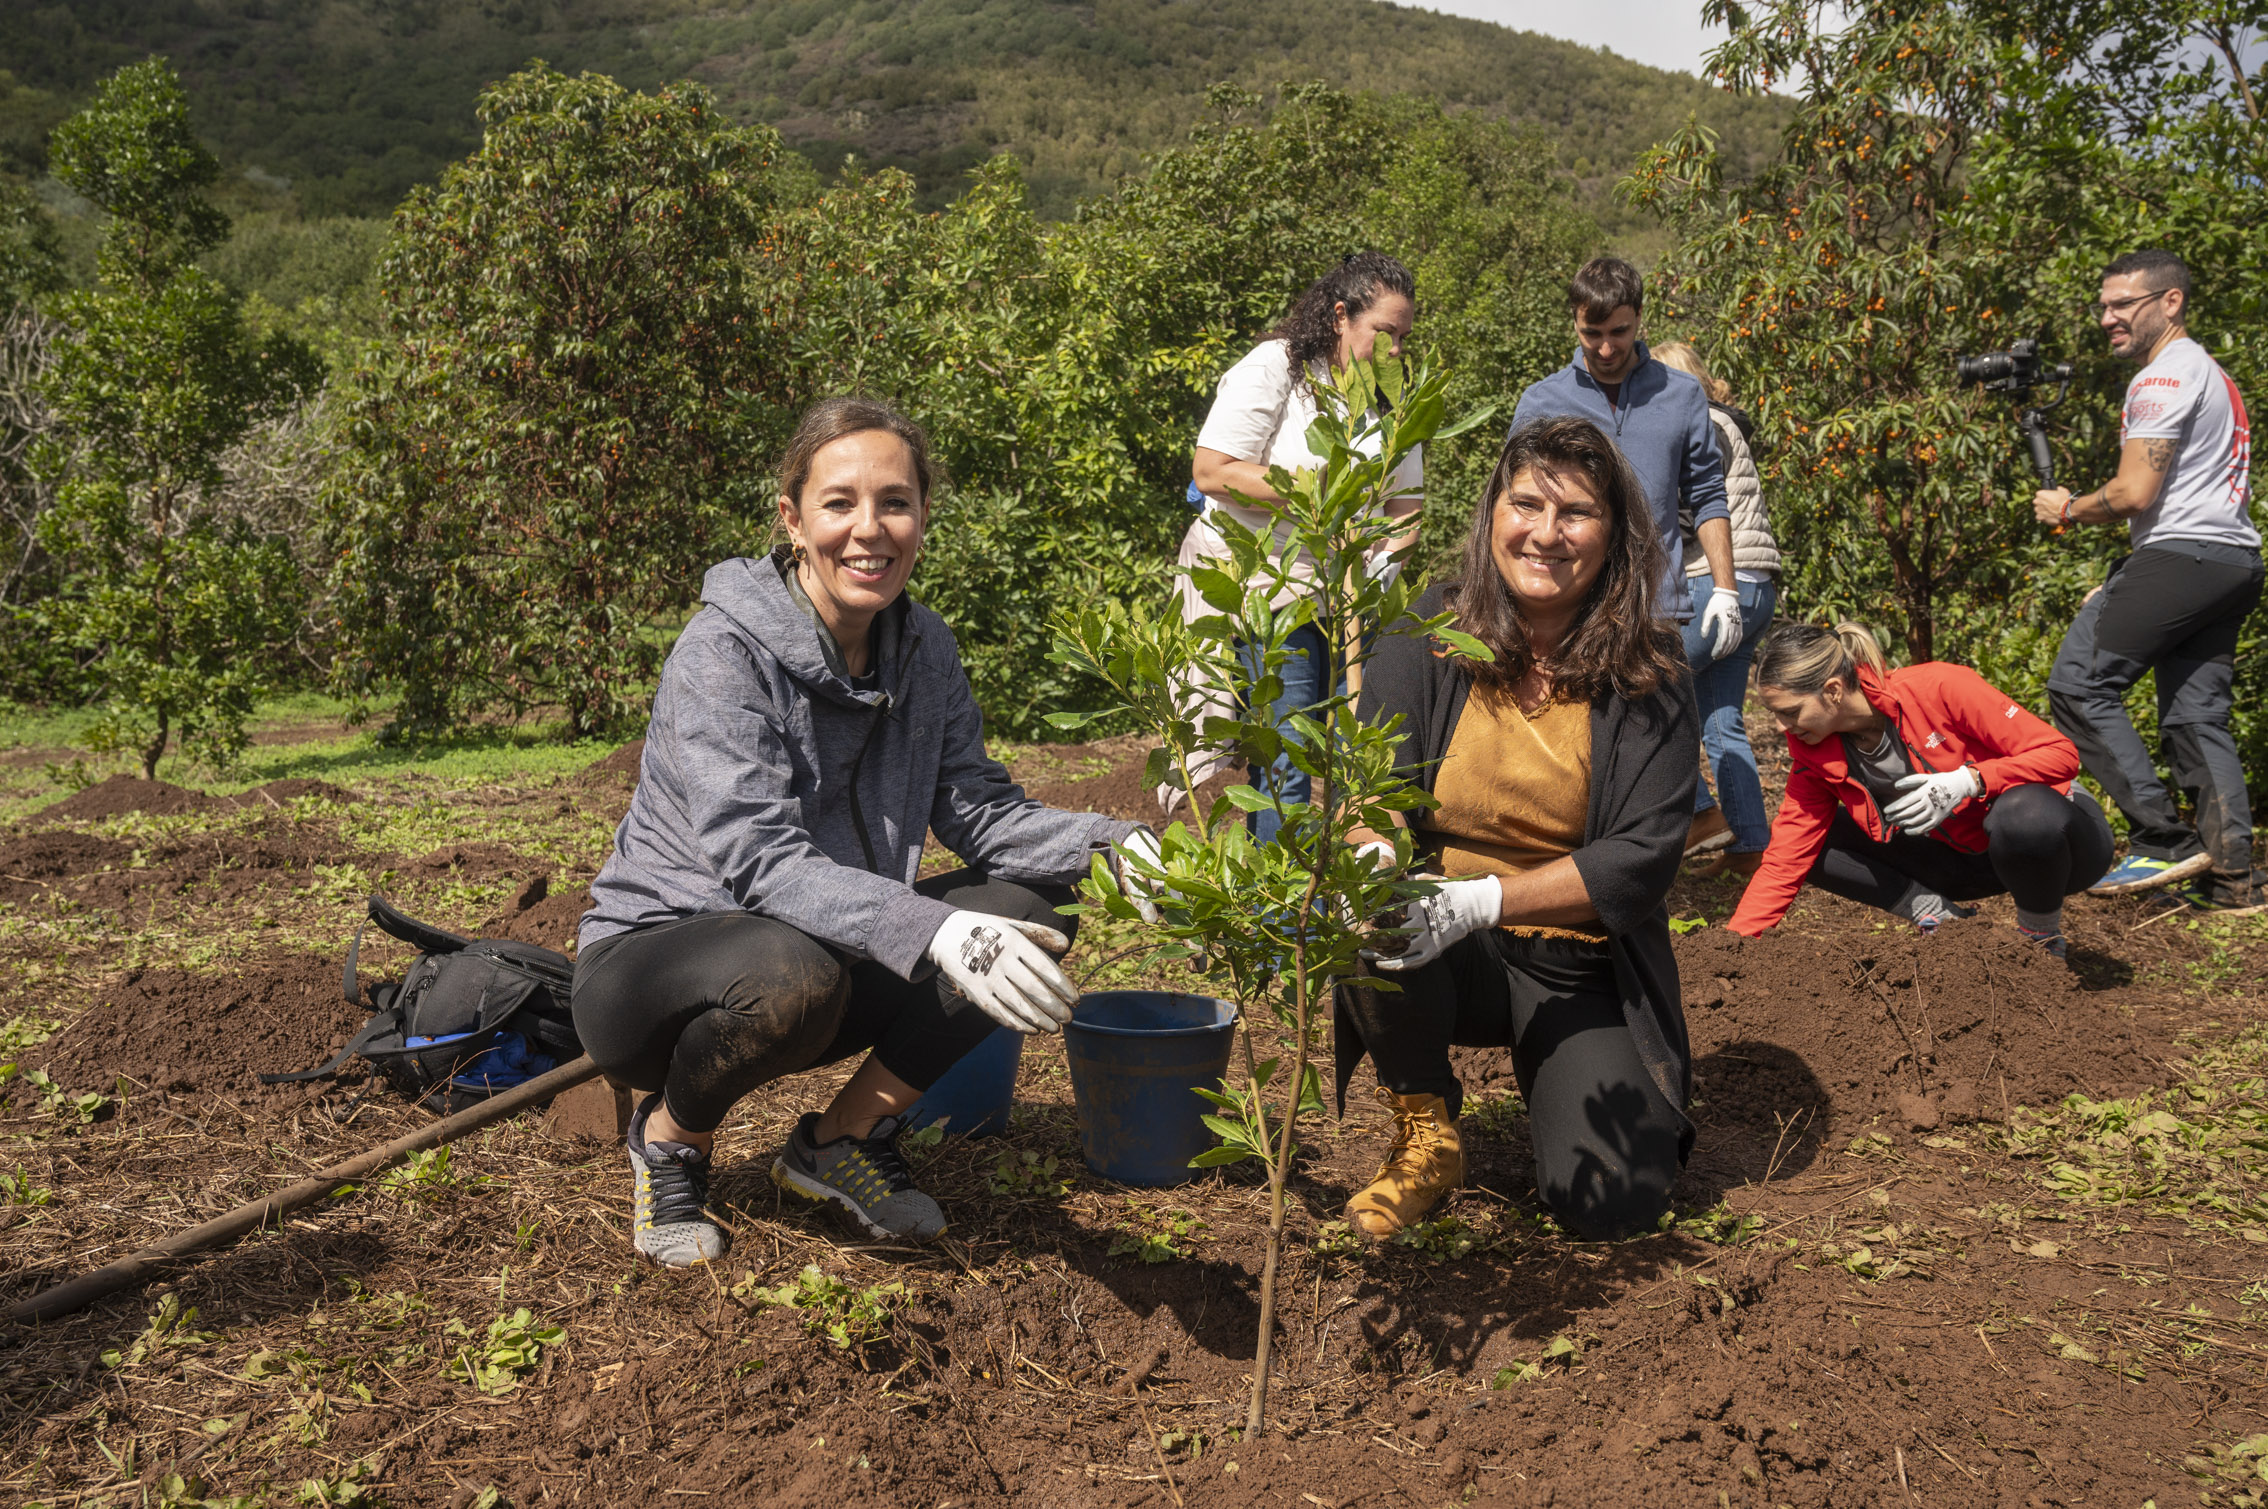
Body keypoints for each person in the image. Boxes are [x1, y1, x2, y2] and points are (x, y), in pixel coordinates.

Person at [573, 397, 1159, 1267]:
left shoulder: (925, 650)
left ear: (923, 514)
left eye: (895, 501)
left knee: (1032, 904)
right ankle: (668, 1136)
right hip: (657, 965)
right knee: (790, 972)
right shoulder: (720, 653)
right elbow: (759, 859)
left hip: (829, 949)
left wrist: (1131, 848)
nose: (869, 529)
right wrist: (939, 929)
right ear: (794, 518)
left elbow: (981, 813)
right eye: (839, 502)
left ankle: (841, 1140)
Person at [1332, 415, 1699, 1243]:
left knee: (1615, 1199)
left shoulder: (1653, 670)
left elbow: (1640, 860)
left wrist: (1484, 898)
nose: (1544, 532)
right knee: (1362, 908)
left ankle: (1572, 1090)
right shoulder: (1426, 630)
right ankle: (1426, 1132)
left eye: (1575, 514)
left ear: (1615, 535)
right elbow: (1369, 789)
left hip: (1579, 961)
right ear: (1492, 511)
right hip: (1441, 949)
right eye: (1525, 502)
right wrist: (1378, 850)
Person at [2034, 249, 2262, 908]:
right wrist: (2130, 577)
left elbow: (2136, 492)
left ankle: (2162, 841)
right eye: (2103, 305)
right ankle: (2234, 879)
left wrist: (2069, 509)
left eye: (2122, 304)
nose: (2107, 317)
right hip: (2230, 561)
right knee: (2196, 718)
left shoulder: (2160, 379)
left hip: (2182, 556)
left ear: (2170, 302)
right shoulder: (2210, 374)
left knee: (2078, 686)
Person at [1507, 260, 1743, 862]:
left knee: (1654, 739)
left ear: (1639, 319)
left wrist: (1725, 588)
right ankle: (1576, 867)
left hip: (1655, 602)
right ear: (1574, 324)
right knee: (1575, 736)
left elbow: (1708, 495)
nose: (1607, 348)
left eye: (1620, 331)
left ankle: (1646, 869)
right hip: (1569, 598)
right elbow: (1516, 498)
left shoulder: (1682, 394)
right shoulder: (1542, 400)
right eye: (1593, 334)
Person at [1183, 251, 1422, 842]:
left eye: (1404, 338)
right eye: (1384, 333)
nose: (1394, 351)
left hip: (1349, 599)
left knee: (1348, 753)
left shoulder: (1392, 396)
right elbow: (1214, 470)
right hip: (1272, 586)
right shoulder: (1279, 368)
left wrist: (1380, 567)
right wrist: (1317, 498)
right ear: (1341, 316)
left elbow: (1406, 506)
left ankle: (1340, 904)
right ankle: (1278, 920)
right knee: (1287, 759)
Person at [1726, 622, 2113, 957]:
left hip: (2060, 848)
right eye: (1774, 713)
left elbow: (2060, 754)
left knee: (2023, 813)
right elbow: (1785, 857)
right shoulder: (1815, 754)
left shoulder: (1938, 687)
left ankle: (2040, 937)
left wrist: (1969, 780)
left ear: (1832, 691)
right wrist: (1734, 946)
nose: (1780, 726)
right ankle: (1941, 918)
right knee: (1816, 842)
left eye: (1790, 712)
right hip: (1966, 856)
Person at [1655, 340, 1781, 879]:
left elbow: (1689, 511)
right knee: (1723, 720)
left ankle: (1701, 815)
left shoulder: (1695, 424)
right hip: (1755, 589)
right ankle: (1751, 843)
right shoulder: (1727, 422)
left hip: (1713, 584)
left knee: (1642, 690)